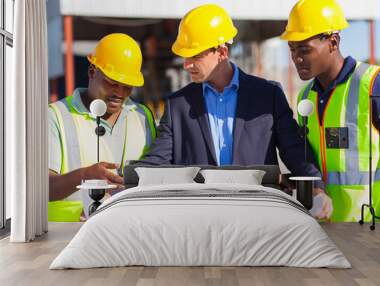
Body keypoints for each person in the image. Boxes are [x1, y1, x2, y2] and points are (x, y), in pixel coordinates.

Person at [136, 4, 332, 219]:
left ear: (221, 52)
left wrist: (315, 188)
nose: (186, 65)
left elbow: (294, 149)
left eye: (194, 56)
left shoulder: (268, 95)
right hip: (198, 217)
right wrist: (117, 181)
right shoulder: (178, 105)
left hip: (258, 214)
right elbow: (155, 161)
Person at [281, 0, 380, 222]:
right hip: (328, 230)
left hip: (375, 230)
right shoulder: (306, 96)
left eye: (305, 49)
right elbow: (316, 161)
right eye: (292, 49)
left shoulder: (375, 85)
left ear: (333, 42)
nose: (297, 58)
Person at [48, 33, 156, 221]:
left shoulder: (142, 116)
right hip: (68, 237)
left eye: (127, 86)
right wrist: (85, 176)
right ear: (92, 72)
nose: (120, 93)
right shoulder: (56, 116)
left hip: (128, 232)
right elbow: (41, 189)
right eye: (112, 83)